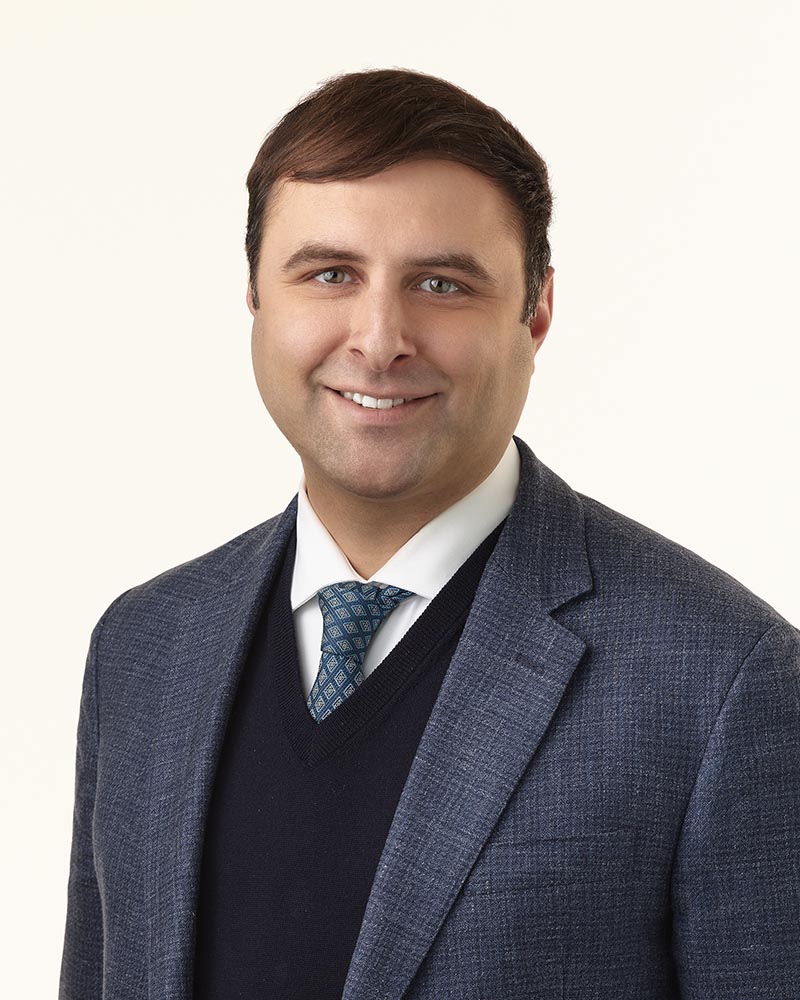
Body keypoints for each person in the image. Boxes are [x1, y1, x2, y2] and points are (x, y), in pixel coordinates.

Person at [59, 67, 799, 1000]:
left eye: (442, 284)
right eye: (329, 274)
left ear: (536, 313)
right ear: (256, 298)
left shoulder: (723, 680)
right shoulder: (143, 647)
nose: (378, 338)